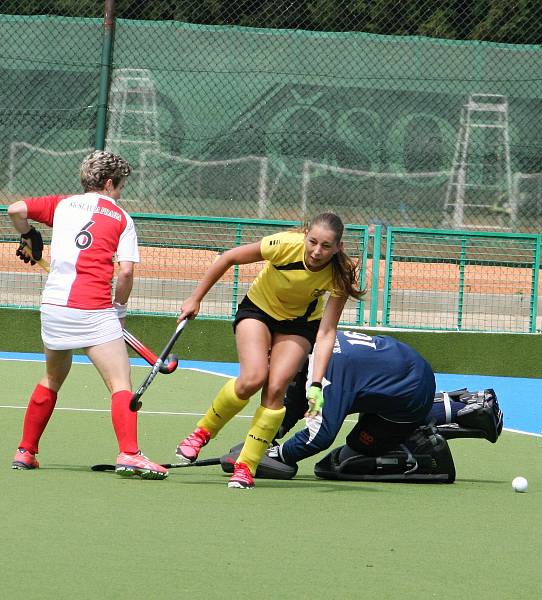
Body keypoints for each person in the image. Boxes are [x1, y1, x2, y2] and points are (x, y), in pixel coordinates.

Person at [7, 150, 167, 479]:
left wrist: (28, 236)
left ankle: (25, 451)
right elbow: (124, 274)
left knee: (52, 378)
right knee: (121, 383)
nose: (121, 193)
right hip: (93, 309)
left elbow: (15, 209)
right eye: (120, 186)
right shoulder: (122, 218)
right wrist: (118, 312)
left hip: (53, 308)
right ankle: (130, 454)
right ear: (109, 183)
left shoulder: (62, 205)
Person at [174, 212, 363, 489]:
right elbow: (228, 258)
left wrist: (316, 384)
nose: (316, 251)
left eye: (325, 246)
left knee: (276, 390)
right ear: (305, 236)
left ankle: (246, 466)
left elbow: (325, 333)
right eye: (312, 242)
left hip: (299, 325)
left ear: (338, 247)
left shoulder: (339, 273)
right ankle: (202, 433)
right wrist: (195, 298)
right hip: (258, 311)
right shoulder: (284, 244)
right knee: (253, 378)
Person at [218, 330, 503, 483]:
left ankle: (456, 416)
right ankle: (465, 405)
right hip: (405, 369)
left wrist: (281, 454)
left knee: (356, 450)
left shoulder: (327, 371)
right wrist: (263, 438)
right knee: (380, 405)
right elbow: (294, 403)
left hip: (409, 389)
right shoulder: (311, 347)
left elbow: (322, 435)